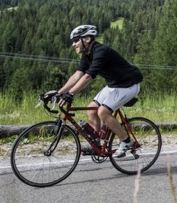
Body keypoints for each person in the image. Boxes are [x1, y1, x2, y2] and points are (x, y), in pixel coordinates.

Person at [54, 25, 143, 157]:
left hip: (129, 85)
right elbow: (77, 75)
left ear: (87, 39)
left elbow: (88, 77)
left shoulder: (101, 51)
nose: (73, 44)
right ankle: (96, 145)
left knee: (103, 112)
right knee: (91, 109)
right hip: (114, 85)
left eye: (76, 40)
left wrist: (71, 93)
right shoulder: (87, 55)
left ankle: (126, 141)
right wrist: (59, 93)